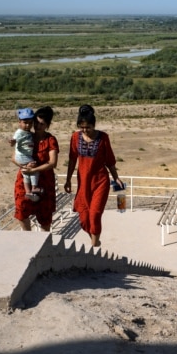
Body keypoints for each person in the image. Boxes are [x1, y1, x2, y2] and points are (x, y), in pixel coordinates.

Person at [65, 104, 123, 247]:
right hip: (83, 183)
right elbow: (72, 159)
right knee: (84, 218)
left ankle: (94, 246)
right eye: (82, 127)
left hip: (100, 181)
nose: (85, 130)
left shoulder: (103, 138)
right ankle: (95, 239)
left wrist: (116, 177)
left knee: (95, 214)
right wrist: (68, 180)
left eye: (88, 127)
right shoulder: (75, 137)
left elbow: (109, 160)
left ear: (94, 125)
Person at [12, 106, 59, 231]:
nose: (38, 126)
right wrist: (23, 166)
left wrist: (34, 170)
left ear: (47, 125)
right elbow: (13, 157)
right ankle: (28, 238)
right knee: (21, 210)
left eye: (42, 124)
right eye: (36, 123)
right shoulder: (26, 136)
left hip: (44, 181)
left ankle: (44, 244)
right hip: (24, 178)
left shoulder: (50, 140)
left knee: (44, 216)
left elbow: (53, 163)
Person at [11, 108, 41, 201]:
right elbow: (14, 140)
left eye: (30, 123)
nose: (28, 125)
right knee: (33, 169)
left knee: (26, 173)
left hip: (23, 156)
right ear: (19, 122)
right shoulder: (19, 132)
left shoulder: (28, 133)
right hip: (23, 156)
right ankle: (34, 187)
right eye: (25, 123)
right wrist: (12, 142)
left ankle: (28, 191)